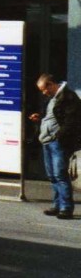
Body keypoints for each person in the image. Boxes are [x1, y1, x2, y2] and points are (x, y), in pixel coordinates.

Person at [31, 73, 81, 220]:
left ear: (51, 84)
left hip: (58, 142)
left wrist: (59, 137)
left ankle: (66, 207)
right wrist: (39, 117)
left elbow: (72, 120)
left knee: (60, 174)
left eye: (44, 89)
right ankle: (57, 204)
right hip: (47, 141)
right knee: (52, 175)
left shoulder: (68, 97)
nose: (43, 93)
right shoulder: (51, 98)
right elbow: (50, 116)